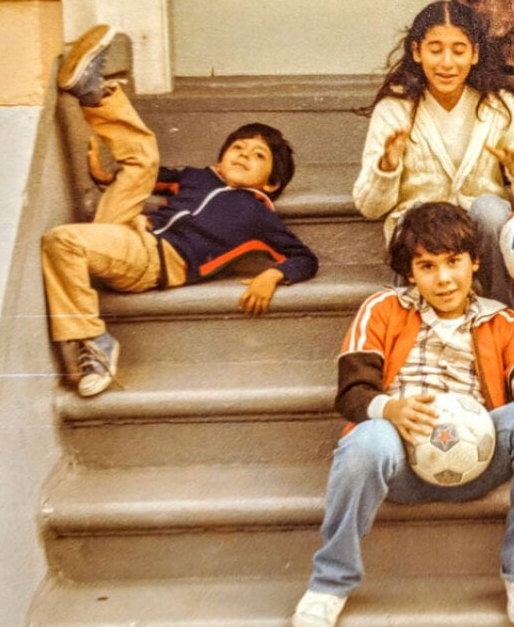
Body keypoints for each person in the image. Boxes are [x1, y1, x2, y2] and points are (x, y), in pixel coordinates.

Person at [291, 201, 514, 627]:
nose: (444, 278)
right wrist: (390, 409)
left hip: (479, 460)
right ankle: (329, 583)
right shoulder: (383, 307)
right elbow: (352, 391)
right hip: (399, 463)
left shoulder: (501, 321)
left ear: (475, 262)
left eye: (453, 262)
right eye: (427, 266)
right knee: (366, 440)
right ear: (410, 273)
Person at [42, 25, 319, 397]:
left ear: (271, 183)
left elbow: (304, 258)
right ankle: (94, 94)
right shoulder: (198, 177)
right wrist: (107, 177)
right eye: (237, 148)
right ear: (220, 160)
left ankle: (94, 342)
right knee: (143, 159)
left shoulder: (257, 213)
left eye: (258, 156)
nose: (243, 155)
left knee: (63, 241)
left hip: (154, 260)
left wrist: (272, 276)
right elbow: (146, 175)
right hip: (129, 232)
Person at [352, 0, 514, 307]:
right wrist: (387, 165)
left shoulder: (500, 105)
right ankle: (412, 318)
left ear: (475, 53)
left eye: (458, 51)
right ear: (416, 51)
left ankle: (499, 315)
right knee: (412, 218)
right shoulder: (395, 108)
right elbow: (369, 206)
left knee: (492, 210)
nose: (447, 63)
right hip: (422, 232)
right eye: (435, 50)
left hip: (478, 230)